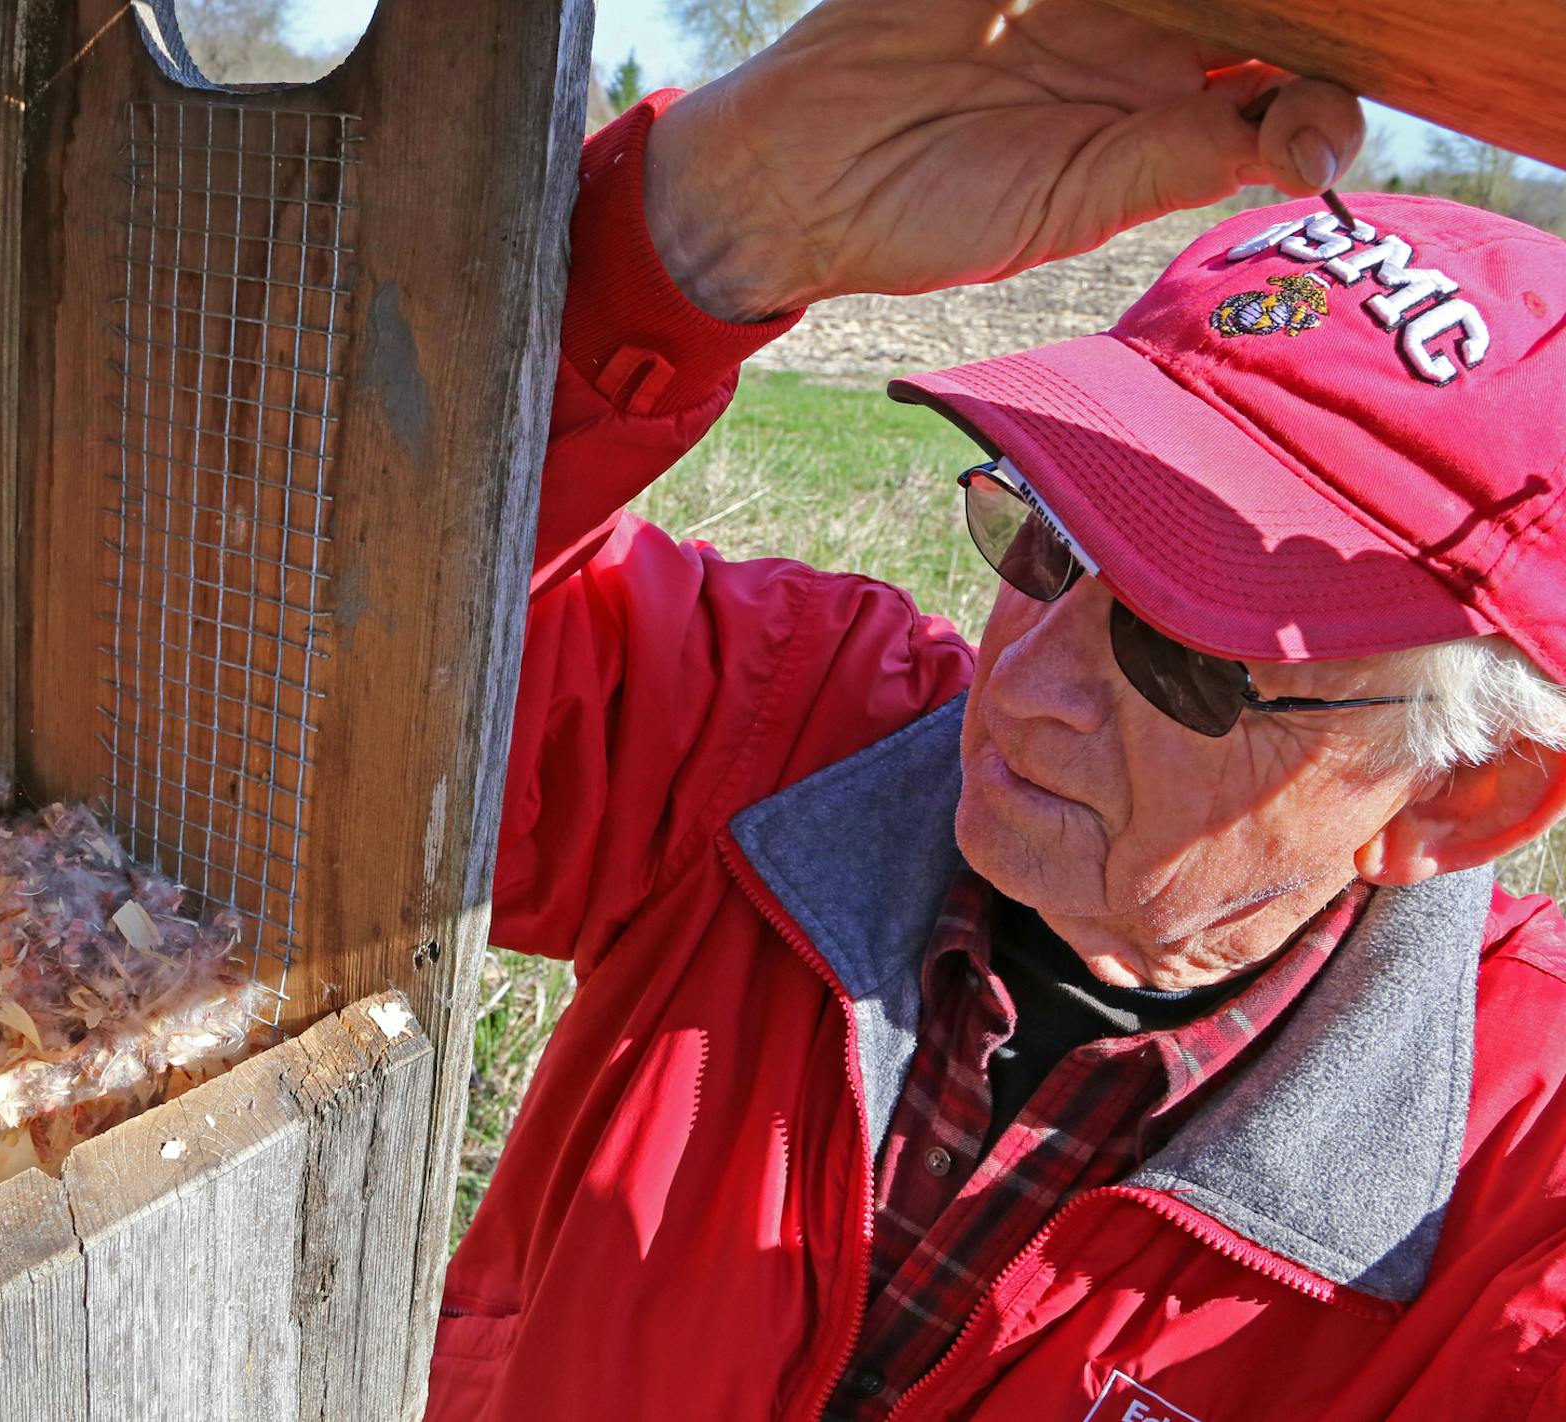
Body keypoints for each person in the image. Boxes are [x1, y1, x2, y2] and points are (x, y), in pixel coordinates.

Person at [425, 2, 1566, 1419]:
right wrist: (701, 233)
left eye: (1186, 655)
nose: (1022, 682)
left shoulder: (1519, 1202)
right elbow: (277, 652)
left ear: (1460, 793)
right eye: (1048, 541)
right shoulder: (783, 740)